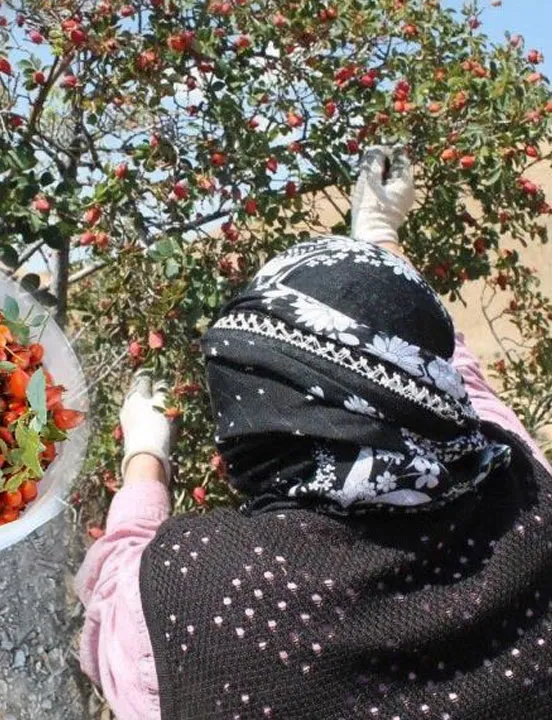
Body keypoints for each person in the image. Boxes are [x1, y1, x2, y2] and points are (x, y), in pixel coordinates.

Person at [76, 148, 552, 719]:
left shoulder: (200, 597)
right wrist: (379, 238)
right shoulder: (522, 482)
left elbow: (114, 607)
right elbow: (452, 378)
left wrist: (145, 454)